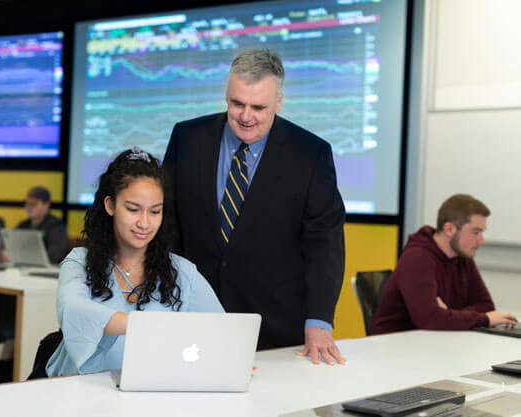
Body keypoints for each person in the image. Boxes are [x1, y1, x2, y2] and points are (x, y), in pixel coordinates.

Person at [163, 49, 346, 365]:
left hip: (275, 329)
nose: (246, 116)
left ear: (279, 102)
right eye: (237, 104)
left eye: (258, 107)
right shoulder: (187, 138)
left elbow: (324, 244)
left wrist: (319, 321)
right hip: (193, 322)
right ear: (226, 96)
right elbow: (168, 224)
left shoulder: (310, 155)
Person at [46, 148, 223, 377]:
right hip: (79, 395)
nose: (144, 223)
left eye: (155, 211)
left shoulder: (181, 271)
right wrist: (143, 325)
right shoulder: (79, 262)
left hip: (149, 397)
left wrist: (231, 360)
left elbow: (223, 331)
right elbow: (73, 310)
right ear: (110, 205)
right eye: (133, 209)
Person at [370, 194, 518, 335]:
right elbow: (429, 319)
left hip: (431, 343)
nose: (481, 241)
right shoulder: (417, 257)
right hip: (394, 347)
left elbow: (486, 306)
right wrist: (483, 319)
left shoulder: (462, 256)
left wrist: (447, 315)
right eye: (475, 232)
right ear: (449, 229)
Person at [15, 186, 69, 264]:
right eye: (27, 204)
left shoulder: (57, 226)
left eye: (34, 204)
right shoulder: (23, 224)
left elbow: (54, 256)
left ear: (46, 205)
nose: (28, 207)